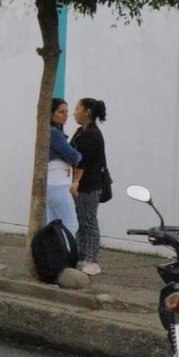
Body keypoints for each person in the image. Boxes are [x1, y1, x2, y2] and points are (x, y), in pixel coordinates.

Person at [71, 98, 108, 276]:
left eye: (77, 108)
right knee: (82, 222)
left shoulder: (91, 134)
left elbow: (82, 161)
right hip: (83, 185)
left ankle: (92, 260)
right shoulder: (80, 132)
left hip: (89, 185)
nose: (74, 112)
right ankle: (82, 256)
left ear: (87, 112)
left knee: (89, 222)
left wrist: (76, 181)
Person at [47, 98, 82, 236]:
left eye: (66, 111)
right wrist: (77, 156)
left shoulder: (53, 132)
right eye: (61, 112)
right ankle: (65, 253)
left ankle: (52, 255)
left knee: (53, 223)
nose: (65, 115)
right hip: (59, 184)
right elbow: (73, 156)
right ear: (51, 114)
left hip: (52, 184)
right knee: (71, 224)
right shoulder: (55, 133)